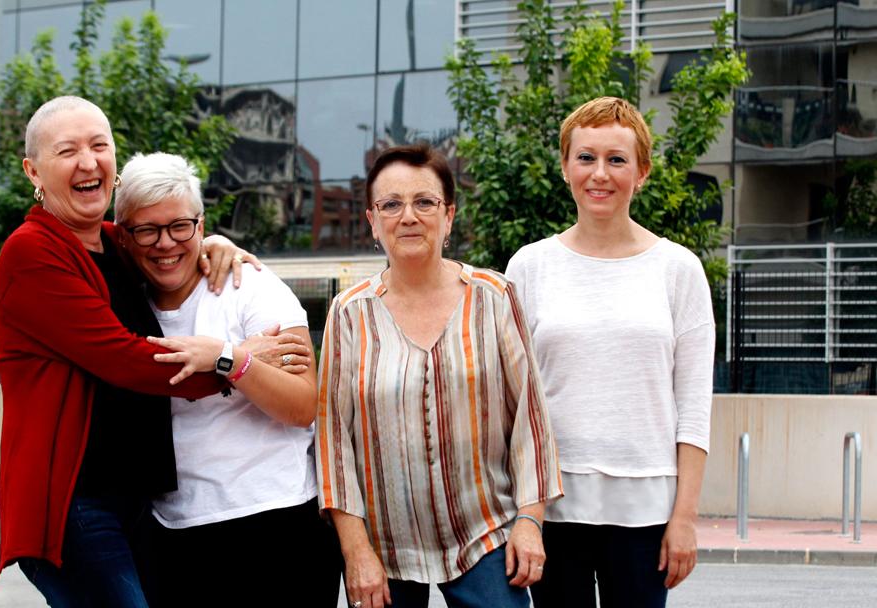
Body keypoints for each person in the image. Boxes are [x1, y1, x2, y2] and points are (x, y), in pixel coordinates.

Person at [0, 95, 259, 607]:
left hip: (136, 502)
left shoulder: (115, 243)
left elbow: (168, 243)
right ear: (34, 171)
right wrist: (236, 364)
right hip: (75, 506)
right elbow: (123, 357)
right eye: (67, 150)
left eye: (99, 145)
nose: (88, 161)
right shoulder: (32, 251)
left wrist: (211, 241)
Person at [315, 143, 563, 608]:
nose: (408, 216)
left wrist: (530, 521)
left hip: (484, 535)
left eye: (424, 202)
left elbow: (530, 418)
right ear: (372, 221)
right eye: (391, 204)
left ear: (448, 216)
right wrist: (355, 552)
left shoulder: (493, 296)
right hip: (383, 548)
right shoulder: (348, 313)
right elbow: (333, 443)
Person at [505, 96, 715, 607]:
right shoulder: (529, 267)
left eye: (617, 159)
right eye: (586, 157)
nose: (600, 174)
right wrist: (522, 516)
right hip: (552, 511)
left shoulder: (678, 270)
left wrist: (684, 518)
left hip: (647, 515)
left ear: (641, 172)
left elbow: (694, 410)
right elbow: (511, 405)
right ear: (565, 166)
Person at [113, 151, 342, 606]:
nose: (166, 243)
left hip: (278, 522)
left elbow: (301, 406)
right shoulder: (120, 305)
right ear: (124, 236)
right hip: (175, 532)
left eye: (180, 226)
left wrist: (225, 359)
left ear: (201, 223)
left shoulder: (250, 287)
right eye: (147, 230)